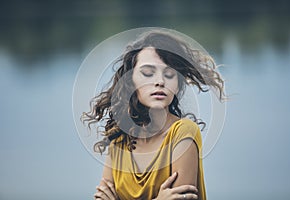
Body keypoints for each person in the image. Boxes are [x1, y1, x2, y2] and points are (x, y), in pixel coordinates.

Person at [81, 29, 225, 200]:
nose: (160, 81)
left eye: (169, 74)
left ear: (177, 85)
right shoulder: (119, 140)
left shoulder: (183, 133)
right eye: (148, 73)